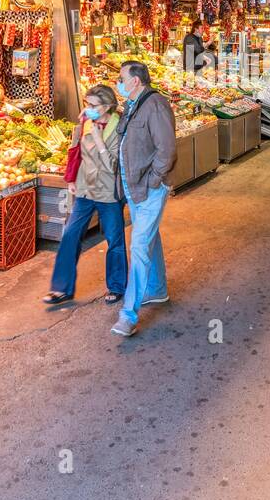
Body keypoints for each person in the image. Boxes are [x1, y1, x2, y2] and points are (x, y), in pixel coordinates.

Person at [43, 85, 126, 305]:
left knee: (115, 240)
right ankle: (61, 288)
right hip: (84, 190)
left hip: (108, 193)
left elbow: (113, 166)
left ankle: (117, 286)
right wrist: (71, 178)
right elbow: (74, 151)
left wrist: (99, 140)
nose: (88, 109)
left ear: (107, 106)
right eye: (87, 104)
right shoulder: (85, 124)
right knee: (70, 235)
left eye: (93, 105)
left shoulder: (120, 128)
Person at [112, 61, 177, 338]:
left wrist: (154, 181)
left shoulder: (155, 105)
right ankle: (157, 290)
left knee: (138, 245)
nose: (119, 82)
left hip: (148, 188)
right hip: (134, 188)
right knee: (149, 238)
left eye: (121, 78)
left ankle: (128, 315)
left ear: (136, 80)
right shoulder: (132, 105)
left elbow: (167, 149)